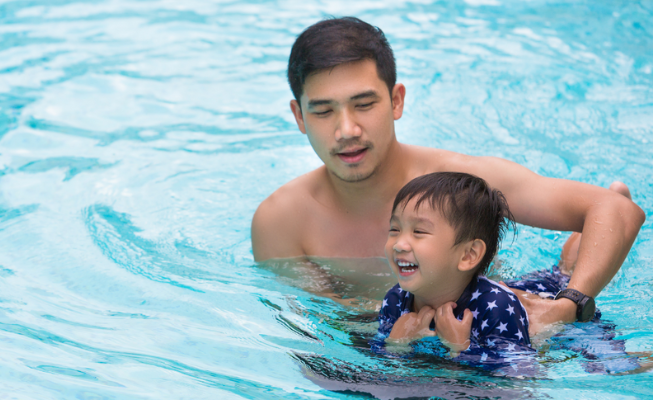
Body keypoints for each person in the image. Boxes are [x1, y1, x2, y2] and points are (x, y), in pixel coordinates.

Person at [251, 17, 645, 335]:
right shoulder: (282, 222)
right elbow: (326, 330)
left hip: (497, 308)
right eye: (323, 111)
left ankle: (573, 262)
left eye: (364, 104)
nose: (347, 130)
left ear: (396, 101)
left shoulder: (458, 182)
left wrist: (569, 304)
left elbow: (616, 210)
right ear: (299, 116)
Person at [377, 172, 644, 376]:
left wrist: (461, 348)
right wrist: (395, 342)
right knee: (561, 270)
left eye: (419, 232)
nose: (399, 244)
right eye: (394, 230)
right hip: (519, 287)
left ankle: (610, 212)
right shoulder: (396, 299)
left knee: (614, 368)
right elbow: (379, 364)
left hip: (548, 306)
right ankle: (607, 211)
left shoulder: (496, 309)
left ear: (468, 255)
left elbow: (522, 376)